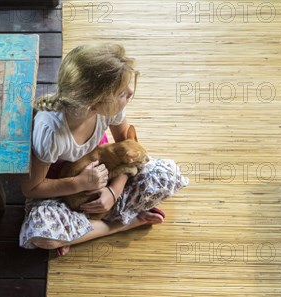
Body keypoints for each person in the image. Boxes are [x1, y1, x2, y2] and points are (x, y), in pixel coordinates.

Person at [19, 43, 189, 256]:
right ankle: (124, 223)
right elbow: (31, 189)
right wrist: (79, 183)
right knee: (42, 235)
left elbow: (128, 150)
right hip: (61, 190)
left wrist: (113, 191)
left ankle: (84, 227)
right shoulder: (51, 132)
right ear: (93, 106)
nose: (131, 93)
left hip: (107, 172)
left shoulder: (109, 110)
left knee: (168, 174)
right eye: (122, 94)